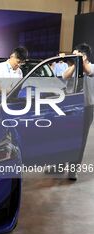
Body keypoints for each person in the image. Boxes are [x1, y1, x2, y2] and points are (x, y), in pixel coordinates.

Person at [62, 43, 94, 180]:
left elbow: (88, 71)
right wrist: (75, 63)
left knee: (80, 140)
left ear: (85, 56)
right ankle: (59, 165)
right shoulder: (72, 68)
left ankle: (73, 169)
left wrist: (80, 60)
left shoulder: (91, 66)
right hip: (70, 109)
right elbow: (64, 76)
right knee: (64, 138)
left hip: (87, 109)